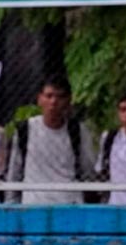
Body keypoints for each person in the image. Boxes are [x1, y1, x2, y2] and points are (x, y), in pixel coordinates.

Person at [7, 74, 96, 205]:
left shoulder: (78, 131)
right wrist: (11, 203)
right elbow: (15, 171)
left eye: (60, 97)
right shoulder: (25, 130)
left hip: (69, 203)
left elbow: (88, 170)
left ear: (68, 100)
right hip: (34, 203)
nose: (53, 102)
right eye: (49, 96)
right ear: (39, 99)